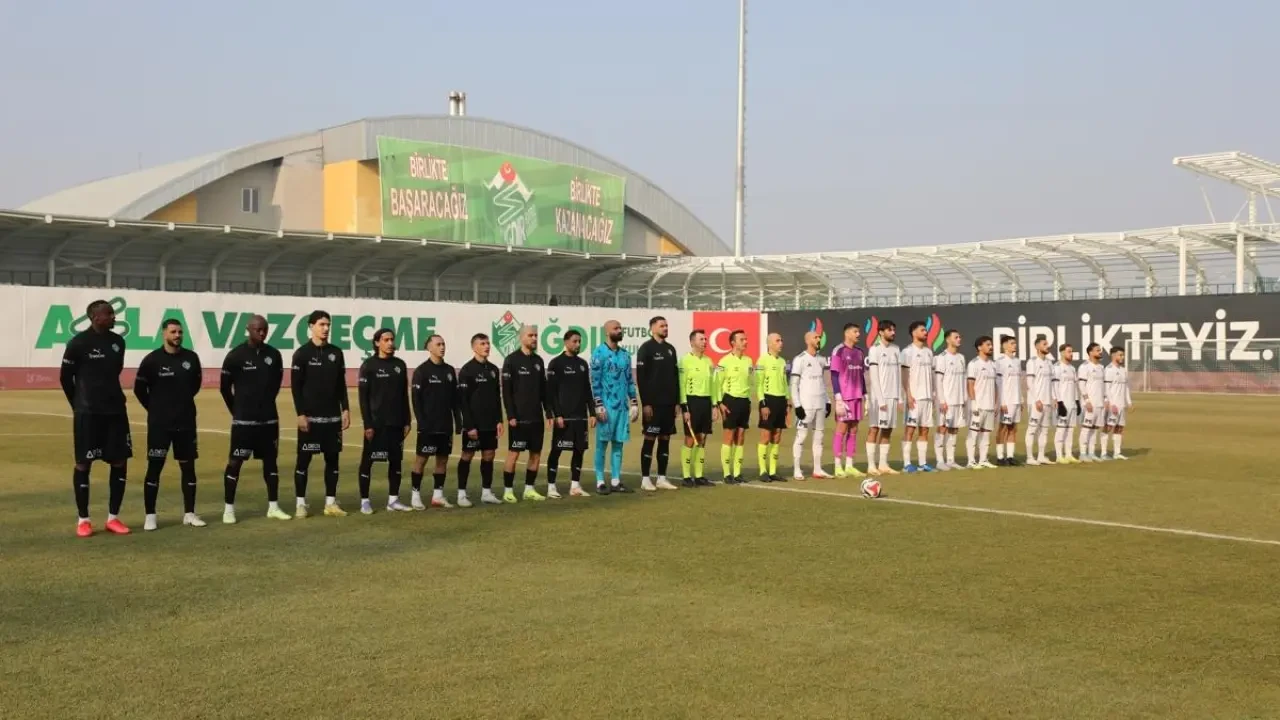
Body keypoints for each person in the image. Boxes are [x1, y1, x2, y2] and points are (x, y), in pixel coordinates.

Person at [61, 299, 133, 537]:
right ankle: (83, 520)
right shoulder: (78, 343)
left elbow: (114, 372)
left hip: (115, 411)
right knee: (84, 463)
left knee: (119, 461)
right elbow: (65, 378)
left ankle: (113, 518)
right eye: (109, 313)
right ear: (95, 317)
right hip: (88, 413)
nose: (114, 317)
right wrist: (78, 405)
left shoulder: (118, 342)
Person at [134, 318, 205, 531]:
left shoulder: (191, 358)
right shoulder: (151, 360)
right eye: (173, 332)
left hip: (186, 422)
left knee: (188, 468)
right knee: (155, 468)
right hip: (160, 425)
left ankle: (189, 514)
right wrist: (156, 409)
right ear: (164, 333)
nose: (177, 335)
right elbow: (139, 390)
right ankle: (150, 516)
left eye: (180, 332)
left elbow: (195, 385)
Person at [220, 315, 289, 523]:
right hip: (244, 422)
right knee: (235, 463)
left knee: (271, 463)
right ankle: (228, 509)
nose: (262, 333)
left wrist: (264, 405)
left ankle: (273, 507)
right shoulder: (235, 356)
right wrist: (237, 410)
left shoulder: (274, 355)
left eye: (265, 329)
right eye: (258, 329)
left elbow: (275, 385)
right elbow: (224, 388)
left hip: (269, 421)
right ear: (248, 329)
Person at [290, 310, 351, 517]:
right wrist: (300, 414)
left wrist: (345, 409)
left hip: (332, 418)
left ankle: (330, 503)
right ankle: (300, 504)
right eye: (321, 325)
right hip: (310, 419)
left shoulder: (336, 353)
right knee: (303, 461)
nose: (325, 329)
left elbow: (341, 385)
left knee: (332, 460)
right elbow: (296, 387)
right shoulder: (302, 354)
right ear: (311, 326)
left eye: (328, 325)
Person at [356, 328, 412, 514]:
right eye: (386, 340)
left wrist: (407, 420)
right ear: (377, 343)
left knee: (396, 462)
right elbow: (363, 398)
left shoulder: (400, 365)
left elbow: (404, 395)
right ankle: (365, 501)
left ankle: (393, 500)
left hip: (396, 422)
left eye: (392, 339)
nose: (390, 343)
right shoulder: (369, 366)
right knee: (368, 461)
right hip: (376, 423)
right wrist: (368, 424)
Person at [410, 334, 465, 509]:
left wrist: (458, 421)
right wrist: (421, 422)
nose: (442, 347)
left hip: (445, 425)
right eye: (438, 344)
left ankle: (438, 496)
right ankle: (415, 495)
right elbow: (416, 400)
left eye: (443, 344)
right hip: (428, 426)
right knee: (421, 460)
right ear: (429, 347)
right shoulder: (421, 371)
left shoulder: (449, 371)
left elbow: (455, 399)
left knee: (442, 460)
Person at [501, 325, 550, 503]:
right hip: (519, 418)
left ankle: (529, 489)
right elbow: (506, 391)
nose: (534, 338)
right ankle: (508, 491)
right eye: (530, 335)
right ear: (521, 337)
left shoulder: (539, 361)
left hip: (536, 418)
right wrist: (511, 416)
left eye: (536, 335)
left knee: (535, 454)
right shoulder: (511, 360)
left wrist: (549, 413)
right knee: (514, 454)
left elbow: (544, 390)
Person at [546, 329, 596, 498]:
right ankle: (551, 487)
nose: (578, 344)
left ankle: (575, 486)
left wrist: (592, 412)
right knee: (557, 450)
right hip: (564, 417)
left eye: (579, 341)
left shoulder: (582, 364)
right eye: (574, 341)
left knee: (579, 450)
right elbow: (551, 392)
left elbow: (587, 389)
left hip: (580, 416)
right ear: (566, 342)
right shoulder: (556, 363)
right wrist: (557, 414)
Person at [589, 320, 638, 494]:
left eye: (620, 328)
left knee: (618, 444)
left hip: (622, 407)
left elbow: (630, 380)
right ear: (607, 332)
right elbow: (594, 382)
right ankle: (600, 481)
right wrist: (598, 405)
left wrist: (634, 402)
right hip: (606, 407)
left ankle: (616, 480)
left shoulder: (625, 355)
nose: (620, 331)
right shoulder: (599, 353)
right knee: (602, 444)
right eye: (616, 328)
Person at [458, 333, 505, 505]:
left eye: (487, 343)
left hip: (490, 422)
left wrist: (499, 420)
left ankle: (486, 492)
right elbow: (463, 401)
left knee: (489, 455)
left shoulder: (493, 369)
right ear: (474, 347)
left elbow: (497, 397)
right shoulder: (467, 370)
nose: (487, 346)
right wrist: (469, 425)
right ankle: (461, 494)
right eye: (482, 343)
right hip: (474, 424)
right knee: (467, 456)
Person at [636, 316, 681, 491]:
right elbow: (641, 378)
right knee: (650, 438)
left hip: (669, 404)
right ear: (653, 328)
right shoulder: (646, 349)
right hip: (653, 404)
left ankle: (662, 478)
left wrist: (676, 402)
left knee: (665, 439)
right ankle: (645, 479)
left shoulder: (671, 349)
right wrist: (646, 403)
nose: (665, 328)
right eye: (662, 326)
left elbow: (675, 378)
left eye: (666, 325)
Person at [713, 330, 753, 484]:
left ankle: (737, 473)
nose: (745, 342)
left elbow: (750, 383)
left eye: (746, 339)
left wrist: (749, 401)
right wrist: (719, 403)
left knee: (741, 436)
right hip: (730, 401)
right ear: (733, 343)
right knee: (729, 436)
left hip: (744, 401)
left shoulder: (749, 361)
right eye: (742, 339)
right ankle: (727, 474)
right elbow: (716, 383)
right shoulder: (724, 361)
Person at [789, 330, 829, 479]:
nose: (818, 339)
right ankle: (797, 469)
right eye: (815, 337)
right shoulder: (800, 359)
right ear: (807, 341)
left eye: (819, 337)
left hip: (820, 404)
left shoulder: (821, 359)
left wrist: (827, 401)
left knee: (819, 436)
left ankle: (818, 469)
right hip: (806, 405)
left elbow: (822, 382)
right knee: (801, 436)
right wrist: (797, 405)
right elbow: (793, 384)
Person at [679, 330, 716, 487]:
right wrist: (685, 408)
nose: (704, 342)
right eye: (701, 339)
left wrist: (714, 406)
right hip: (691, 401)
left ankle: (699, 475)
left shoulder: (709, 361)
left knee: (702, 438)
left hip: (706, 402)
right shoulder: (685, 361)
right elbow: (681, 385)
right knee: (690, 438)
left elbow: (713, 385)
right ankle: (686, 476)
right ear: (692, 342)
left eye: (705, 339)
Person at [829, 323, 866, 478]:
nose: (858, 334)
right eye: (855, 331)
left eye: (859, 331)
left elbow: (861, 376)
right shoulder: (839, 350)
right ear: (847, 333)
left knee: (854, 430)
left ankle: (849, 465)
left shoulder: (860, 352)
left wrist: (865, 395)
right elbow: (834, 375)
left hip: (857, 397)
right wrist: (838, 397)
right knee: (841, 429)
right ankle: (838, 466)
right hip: (844, 397)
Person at [865, 320, 902, 476]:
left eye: (894, 330)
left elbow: (898, 374)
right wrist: (880, 400)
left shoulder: (896, 349)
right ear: (881, 332)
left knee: (888, 430)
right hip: (879, 398)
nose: (893, 332)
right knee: (874, 428)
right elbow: (873, 376)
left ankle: (883, 464)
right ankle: (871, 465)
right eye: (889, 330)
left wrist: (900, 398)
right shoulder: (874, 349)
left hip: (893, 396)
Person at [755, 332, 791, 482]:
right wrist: (763, 403)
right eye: (777, 341)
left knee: (777, 436)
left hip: (781, 400)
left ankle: (773, 471)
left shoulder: (782, 361)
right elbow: (758, 384)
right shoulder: (762, 360)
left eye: (781, 340)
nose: (781, 343)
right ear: (769, 344)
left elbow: (785, 382)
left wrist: (788, 401)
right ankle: (763, 471)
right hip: (768, 400)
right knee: (765, 436)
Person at [901, 320, 935, 473]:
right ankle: (907, 463)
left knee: (925, 430)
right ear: (914, 333)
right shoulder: (907, 352)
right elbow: (904, 375)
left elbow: (931, 375)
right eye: (922, 330)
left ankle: (922, 463)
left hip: (927, 398)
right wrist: (908, 395)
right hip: (914, 398)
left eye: (926, 330)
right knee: (910, 429)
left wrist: (933, 394)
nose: (925, 332)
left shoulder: (929, 352)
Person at [932, 329, 966, 471]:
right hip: (946, 400)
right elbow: (938, 381)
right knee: (942, 428)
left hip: (958, 400)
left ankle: (951, 460)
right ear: (948, 340)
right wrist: (942, 400)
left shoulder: (961, 358)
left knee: (954, 428)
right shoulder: (941, 358)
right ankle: (940, 461)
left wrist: (964, 398)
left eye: (959, 337)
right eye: (956, 337)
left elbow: (963, 379)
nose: (959, 339)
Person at [965, 335, 998, 470]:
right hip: (978, 405)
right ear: (979, 347)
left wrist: (995, 403)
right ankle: (971, 461)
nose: (991, 347)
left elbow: (995, 385)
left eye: (991, 345)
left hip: (989, 405)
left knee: (986, 433)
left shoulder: (993, 365)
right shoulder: (974, 364)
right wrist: (973, 402)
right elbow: (970, 384)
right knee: (974, 433)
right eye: (988, 345)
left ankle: (983, 459)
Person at [1023, 337, 1054, 465]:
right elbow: (1029, 383)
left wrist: (1053, 398)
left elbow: (1051, 383)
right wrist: (1037, 400)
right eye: (1044, 344)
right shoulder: (1032, 362)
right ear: (1037, 347)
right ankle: (1029, 457)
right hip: (1036, 402)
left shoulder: (1050, 363)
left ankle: (1041, 456)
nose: (1047, 346)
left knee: (1044, 430)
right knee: (1032, 429)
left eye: (1047, 344)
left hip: (1047, 402)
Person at [1077, 342, 1108, 462]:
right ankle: (1082, 453)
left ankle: (1091, 453)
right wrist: (1087, 400)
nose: (1100, 352)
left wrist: (1105, 399)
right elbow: (1081, 385)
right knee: (1086, 428)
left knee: (1095, 429)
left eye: (1100, 350)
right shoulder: (1084, 367)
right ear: (1090, 352)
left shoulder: (1101, 367)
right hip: (1089, 403)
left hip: (1099, 403)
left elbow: (1103, 386)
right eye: (1097, 350)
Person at [995, 335, 1022, 466]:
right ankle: (1000, 457)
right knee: (1003, 428)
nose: (1014, 345)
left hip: (1016, 400)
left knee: (1013, 428)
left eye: (1015, 343)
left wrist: (1021, 399)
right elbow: (999, 383)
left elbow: (1018, 382)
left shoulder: (1017, 361)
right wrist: (1002, 401)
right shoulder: (1000, 362)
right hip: (1006, 400)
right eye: (1012, 343)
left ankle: (1010, 457)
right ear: (1004, 345)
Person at [1052, 344, 1081, 464]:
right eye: (1069, 351)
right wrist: (1058, 402)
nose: (1071, 354)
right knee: (1061, 430)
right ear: (1062, 353)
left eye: (1072, 351)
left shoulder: (1072, 368)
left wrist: (1077, 401)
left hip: (1072, 404)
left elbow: (1075, 386)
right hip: (1062, 404)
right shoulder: (1056, 367)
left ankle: (1068, 454)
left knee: (1070, 430)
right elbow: (1054, 386)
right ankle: (1059, 456)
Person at [1103, 346, 1132, 460]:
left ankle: (1117, 453)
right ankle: (1103, 453)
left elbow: (1126, 387)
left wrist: (1129, 402)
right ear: (1113, 355)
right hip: (1113, 405)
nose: (1122, 357)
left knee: (1120, 428)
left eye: (1123, 355)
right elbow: (1106, 388)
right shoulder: (1108, 369)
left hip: (1121, 404)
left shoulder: (1123, 370)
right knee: (1108, 427)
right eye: (1120, 355)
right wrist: (1110, 403)